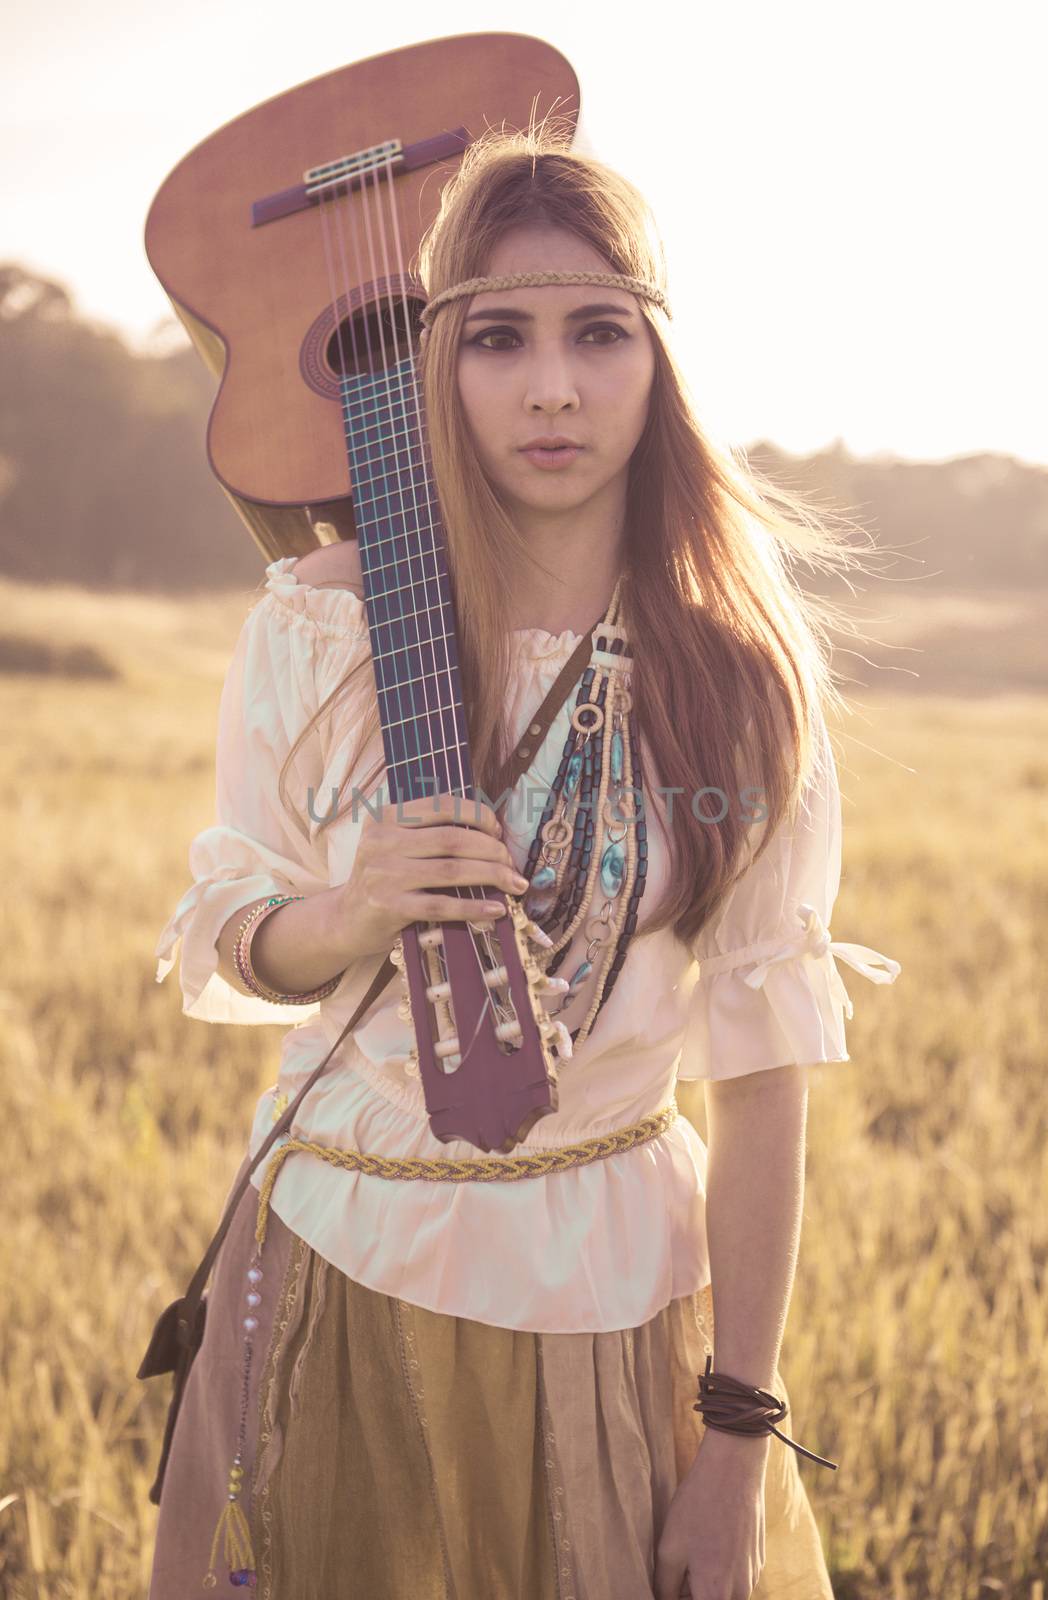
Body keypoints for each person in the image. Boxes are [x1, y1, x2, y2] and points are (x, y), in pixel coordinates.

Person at [147, 120, 901, 1600]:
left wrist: (738, 1446)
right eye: (497, 337)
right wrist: (353, 907)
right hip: (330, 1268)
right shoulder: (325, 624)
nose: (552, 386)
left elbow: (761, 1086)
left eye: (597, 333)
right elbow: (225, 934)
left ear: (658, 360)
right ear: (438, 362)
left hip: (616, 1303)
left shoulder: (739, 682)